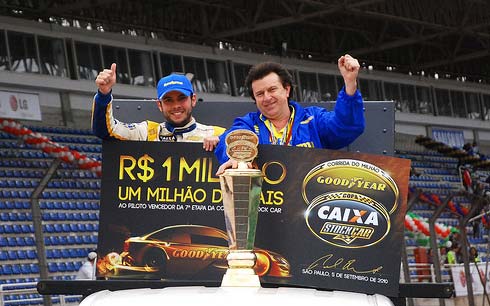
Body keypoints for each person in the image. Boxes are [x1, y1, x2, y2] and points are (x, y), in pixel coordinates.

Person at [215, 54, 365, 174]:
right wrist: (237, 158)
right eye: (260, 94)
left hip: (308, 205)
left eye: (272, 90)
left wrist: (350, 84)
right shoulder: (249, 124)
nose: (267, 98)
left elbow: (346, 127)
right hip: (267, 205)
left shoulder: (313, 120)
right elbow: (231, 139)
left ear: (286, 90)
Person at [92, 63, 224, 151]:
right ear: (159, 105)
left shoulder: (217, 134)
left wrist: (222, 142)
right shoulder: (146, 132)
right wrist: (104, 94)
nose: (176, 105)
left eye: (182, 98)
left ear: (193, 100)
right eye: (168, 100)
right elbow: (105, 130)